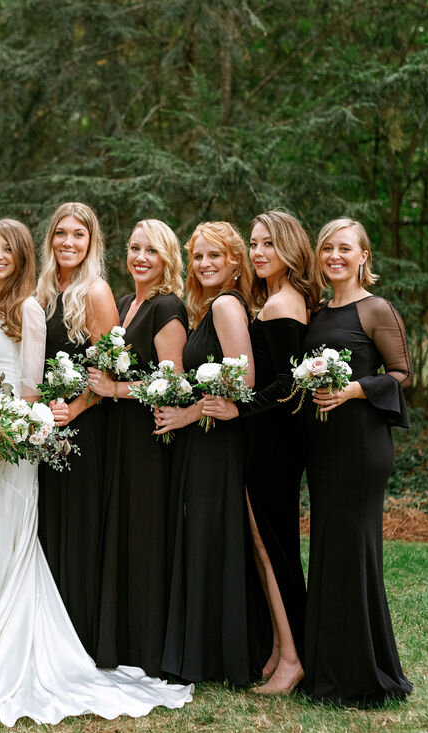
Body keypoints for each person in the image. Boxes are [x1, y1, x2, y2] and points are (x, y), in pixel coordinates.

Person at [0, 219, 192, 726]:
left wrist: (1, 429)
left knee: (5, 544)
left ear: (26, 255)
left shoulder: (32, 308)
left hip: (9, 444)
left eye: (8, 248)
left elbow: (30, 390)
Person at [199, 211, 318, 694]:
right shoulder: (273, 300)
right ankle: (279, 647)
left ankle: (294, 660)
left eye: (269, 244)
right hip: (268, 438)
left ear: (289, 249)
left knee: (275, 548)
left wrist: (237, 409)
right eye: (254, 243)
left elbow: (290, 386)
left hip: (277, 443)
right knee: (264, 545)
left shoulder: (282, 305)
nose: (259, 252)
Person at [301, 218, 413, 706]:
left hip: (363, 446)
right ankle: (326, 669)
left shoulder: (376, 310)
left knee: (355, 550)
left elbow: (402, 373)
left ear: (363, 256)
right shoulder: (318, 311)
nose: (335, 256)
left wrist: (352, 389)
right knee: (328, 549)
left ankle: (364, 674)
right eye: (328, 248)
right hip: (324, 449)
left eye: (345, 248)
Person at [155, 221, 269, 686]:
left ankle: (211, 655)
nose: (204, 264)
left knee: (209, 536)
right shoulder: (210, 307)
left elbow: (244, 384)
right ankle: (210, 650)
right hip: (204, 440)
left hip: (216, 444)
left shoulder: (224, 305)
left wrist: (184, 416)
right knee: (205, 536)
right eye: (198, 256)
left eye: (214, 257)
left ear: (235, 263)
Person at [86, 219, 188, 675]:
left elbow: (175, 380)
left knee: (145, 535)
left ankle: (149, 646)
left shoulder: (167, 307)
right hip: (117, 436)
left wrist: (117, 392)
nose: (140, 257)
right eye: (133, 248)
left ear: (166, 257)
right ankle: (118, 641)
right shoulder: (125, 303)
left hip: (149, 438)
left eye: (150, 250)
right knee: (120, 531)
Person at [33, 202, 117, 654]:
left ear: (91, 242)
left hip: (83, 429)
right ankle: (48, 633)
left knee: (79, 528)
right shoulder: (43, 290)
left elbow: (110, 370)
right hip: (46, 428)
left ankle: (80, 637)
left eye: (78, 235)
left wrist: (74, 409)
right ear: (51, 239)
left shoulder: (96, 292)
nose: (68, 242)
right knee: (48, 524)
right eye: (61, 234)